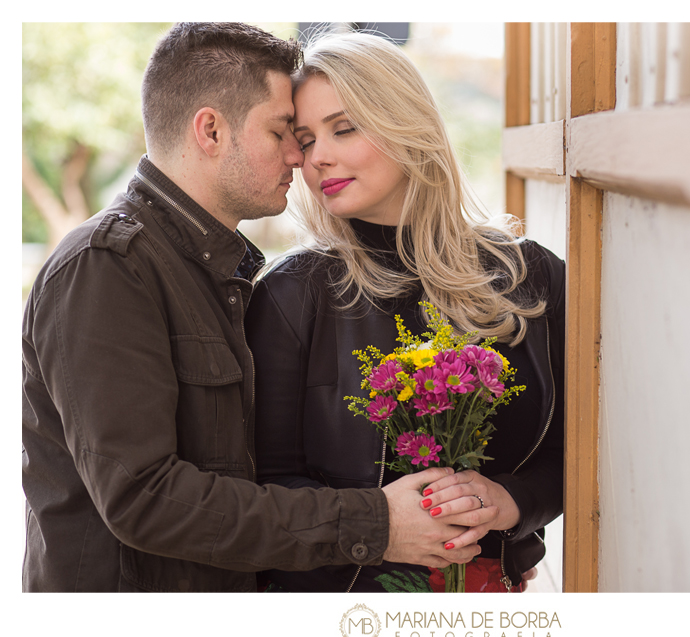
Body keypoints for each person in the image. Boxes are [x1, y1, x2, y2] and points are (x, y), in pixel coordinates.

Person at [21, 22, 488, 593]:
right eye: (282, 132)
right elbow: (143, 498)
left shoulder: (213, 270)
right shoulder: (107, 267)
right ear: (211, 131)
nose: (301, 157)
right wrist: (378, 523)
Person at [245, 31, 565, 593]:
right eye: (304, 139)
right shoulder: (290, 294)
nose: (318, 157)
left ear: (407, 125)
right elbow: (265, 485)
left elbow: (575, 450)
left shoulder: (528, 276)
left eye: (344, 128)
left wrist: (512, 502)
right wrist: (379, 524)